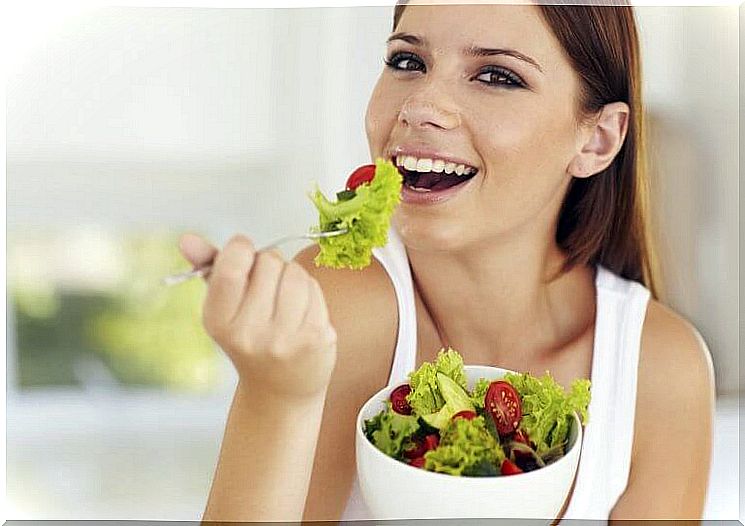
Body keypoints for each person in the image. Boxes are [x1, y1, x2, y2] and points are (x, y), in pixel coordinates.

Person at [179, 1, 715, 522]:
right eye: (407, 62)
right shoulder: (341, 304)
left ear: (597, 139)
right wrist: (279, 395)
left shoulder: (662, 371)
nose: (420, 106)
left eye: (497, 76)